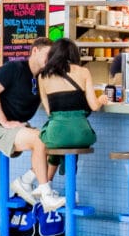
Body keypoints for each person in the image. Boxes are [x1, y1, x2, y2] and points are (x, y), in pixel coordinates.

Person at [29, 39, 99, 210]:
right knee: (68, 139)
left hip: (56, 133)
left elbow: (49, 112)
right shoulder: (84, 72)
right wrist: (103, 99)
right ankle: (66, 190)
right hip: (82, 135)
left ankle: (45, 185)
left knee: (54, 137)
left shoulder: (43, 76)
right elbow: (94, 106)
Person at [0, 41, 54, 204]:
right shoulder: (13, 68)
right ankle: (46, 193)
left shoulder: (42, 78)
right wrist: (5, 122)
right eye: (48, 54)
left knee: (54, 140)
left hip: (20, 129)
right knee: (39, 138)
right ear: (35, 51)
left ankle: (26, 181)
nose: (50, 59)